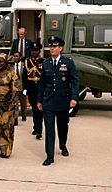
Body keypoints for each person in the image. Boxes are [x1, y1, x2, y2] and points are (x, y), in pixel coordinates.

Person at [37, 36, 79, 166]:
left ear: (60, 48)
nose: (52, 49)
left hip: (62, 100)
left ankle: (62, 145)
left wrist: (74, 98)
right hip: (48, 101)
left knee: (62, 126)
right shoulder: (46, 63)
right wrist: (39, 100)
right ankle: (49, 156)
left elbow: (75, 81)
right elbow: (42, 83)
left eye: (54, 47)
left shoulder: (68, 63)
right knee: (49, 129)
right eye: (51, 46)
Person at [23, 42, 44, 139]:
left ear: (39, 51)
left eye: (36, 50)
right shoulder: (27, 62)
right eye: (33, 50)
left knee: (39, 109)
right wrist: (24, 88)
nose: (34, 52)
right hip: (31, 87)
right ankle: (36, 127)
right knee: (34, 109)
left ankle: (39, 130)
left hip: (40, 87)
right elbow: (24, 76)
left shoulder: (43, 61)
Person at [13, 51, 27, 125]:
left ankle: (24, 115)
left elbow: (25, 77)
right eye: (14, 56)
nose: (15, 57)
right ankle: (15, 118)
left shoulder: (24, 65)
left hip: (22, 86)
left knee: (23, 102)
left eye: (17, 56)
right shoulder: (11, 66)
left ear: (20, 57)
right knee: (15, 103)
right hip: (14, 88)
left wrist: (26, 87)